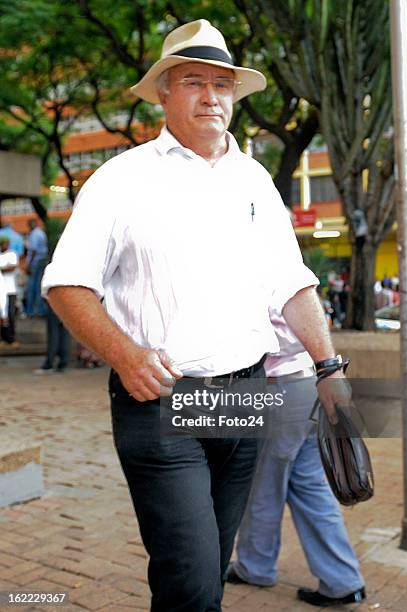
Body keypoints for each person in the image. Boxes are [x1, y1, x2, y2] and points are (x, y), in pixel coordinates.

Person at [42, 19, 350, 612]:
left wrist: (330, 369)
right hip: (161, 397)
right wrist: (125, 355)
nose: (210, 96)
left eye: (221, 84)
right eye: (192, 81)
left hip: (246, 394)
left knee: (208, 565)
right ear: (163, 91)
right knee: (189, 580)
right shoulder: (121, 179)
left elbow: (291, 282)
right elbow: (66, 284)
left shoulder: (255, 177)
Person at [225, 310, 366, 607]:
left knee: (263, 488)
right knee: (312, 488)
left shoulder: (263, 277)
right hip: (312, 385)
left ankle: (255, 567)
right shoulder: (298, 277)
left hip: (279, 388)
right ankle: (343, 581)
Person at [25, 219, 48, 316]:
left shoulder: (34, 234)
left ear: (30, 225)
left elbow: (33, 250)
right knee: (39, 286)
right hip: (42, 260)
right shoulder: (41, 233)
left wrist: (29, 265)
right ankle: (40, 310)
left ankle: (30, 311)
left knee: (31, 288)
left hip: (36, 262)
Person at [0, 236, 19, 347]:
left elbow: (11, 268)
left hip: (10, 289)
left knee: (11, 314)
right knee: (2, 315)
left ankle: (11, 338)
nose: (6, 245)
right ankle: (3, 337)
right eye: (4, 243)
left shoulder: (12, 254)